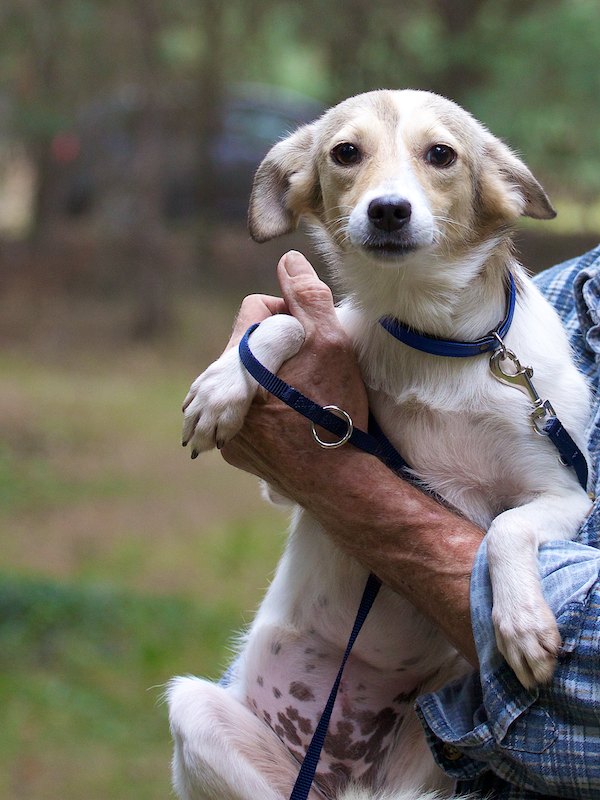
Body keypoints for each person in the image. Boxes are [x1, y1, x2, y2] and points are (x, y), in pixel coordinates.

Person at [218, 247, 600, 799]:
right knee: (191, 711)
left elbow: (561, 501)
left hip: (426, 726)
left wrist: (336, 479)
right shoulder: (547, 295)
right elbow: (279, 480)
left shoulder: (529, 335)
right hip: (289, 689)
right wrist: (258, 357)